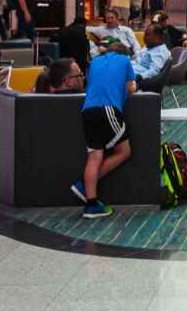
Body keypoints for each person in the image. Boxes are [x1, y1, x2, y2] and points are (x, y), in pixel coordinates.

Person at [71, 38, 136, 219]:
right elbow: (131, 86)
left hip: (88, 111)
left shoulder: (95, 62)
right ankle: (84, 186)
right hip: (107, 110)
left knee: (95, 155)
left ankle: (91, 204)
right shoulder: (124, 60)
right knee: (124, 151)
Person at [132, 23, 172, 88]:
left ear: (157, 36)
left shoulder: (160, 52)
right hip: (132, 70)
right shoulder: (149, 46)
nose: (144, 37)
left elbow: (154, 71)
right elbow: (138, 60)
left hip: (137, 78)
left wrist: (140, 77)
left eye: (147, 35)